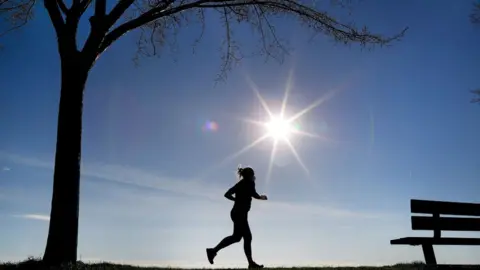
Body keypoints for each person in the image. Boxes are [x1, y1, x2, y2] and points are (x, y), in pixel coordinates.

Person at [206, 166, 268, 268]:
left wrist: (236, 200)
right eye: (253, 174)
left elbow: (227, 194)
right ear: (249, 175)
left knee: (236, 237)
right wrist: (262, 197)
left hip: (237, 213)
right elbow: (254, 194)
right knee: (247, 237)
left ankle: (213, 251)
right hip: (239, 214)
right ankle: (251, 263)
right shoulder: (249, 183)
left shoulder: (241, 184)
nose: (254, 176)